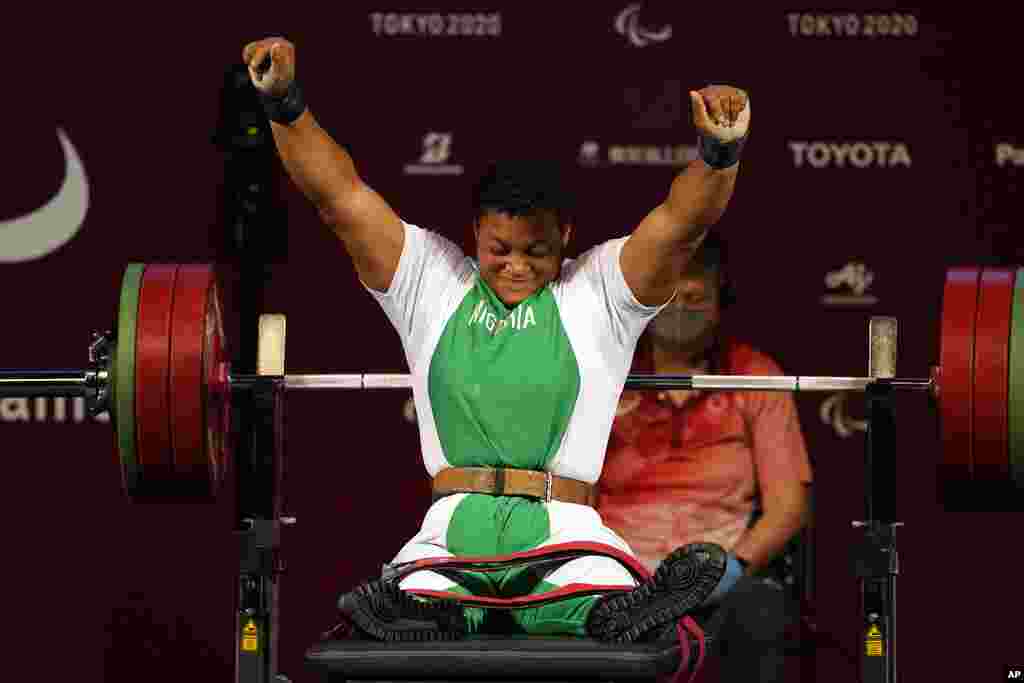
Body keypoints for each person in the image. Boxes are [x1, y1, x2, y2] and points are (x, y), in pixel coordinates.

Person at [242, 36, 753, 644]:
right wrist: (284, 103)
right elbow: (341, 200)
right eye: (498, 250)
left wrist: (719, 153)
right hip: (454, 525)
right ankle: (424, 604)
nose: (515, 266)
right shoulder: (432, 281)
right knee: (422, 597)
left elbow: (679, 227)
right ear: (474, 233)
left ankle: (619, 608)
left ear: (565, 236)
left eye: (536, 252)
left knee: (599, 601)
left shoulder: (597, 292)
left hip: (565, 527)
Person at [597, 234, 813, 679]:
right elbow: (573, 494)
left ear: (719, 301)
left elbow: (788, 506)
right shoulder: (607, 373)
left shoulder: (756, 376)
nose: (680, 307)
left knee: (763, 611)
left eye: (695, 296)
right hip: (617, 583)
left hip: (719, 586)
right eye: (670, 294)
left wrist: (729, 571)